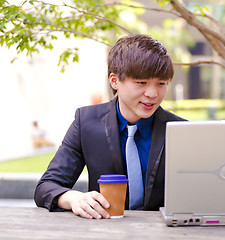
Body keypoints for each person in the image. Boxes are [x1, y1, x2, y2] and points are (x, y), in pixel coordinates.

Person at [34, 34, 185, 219]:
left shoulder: (180, 130)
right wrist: (73, 198)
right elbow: (47, 186)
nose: (153, 94)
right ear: (114, 81)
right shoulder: (86, 122)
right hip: (104, 229)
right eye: (141, 83)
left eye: (161, 84)